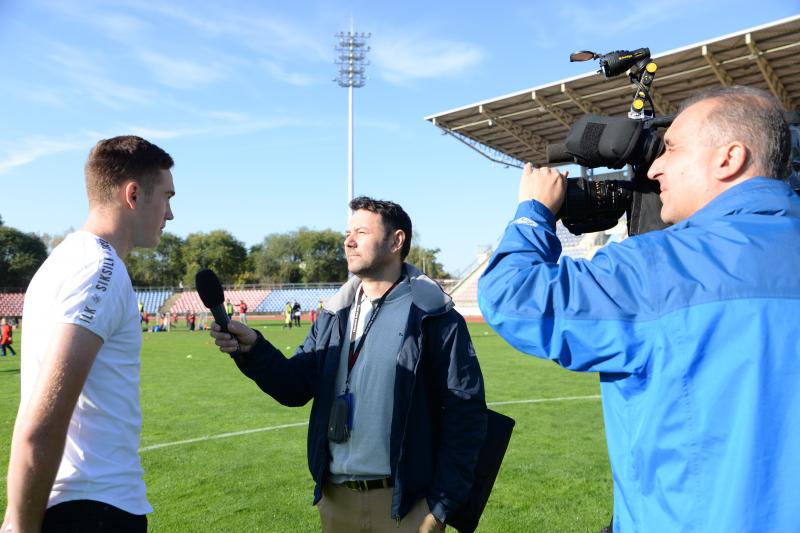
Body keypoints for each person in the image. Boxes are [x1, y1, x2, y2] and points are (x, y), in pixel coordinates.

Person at [478, 85, 800, 532]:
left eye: (670, 149)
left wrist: (534, 211)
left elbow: (512, 296)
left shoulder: (658, 267)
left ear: (729, 158)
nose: (655, 168)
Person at [211, 196, 487, 532]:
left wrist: (438, 507)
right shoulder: (334, 315)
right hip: (336, 501)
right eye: (347, 232)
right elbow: (294, 386)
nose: (348, 241)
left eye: (361, 232)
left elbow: (466, 414)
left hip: (406, 506)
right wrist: (253, 347)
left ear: (396, 241)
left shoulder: (434, 316)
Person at [2, 135, 175, 532]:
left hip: (81, 505)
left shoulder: (63, 261)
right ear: (133, 194)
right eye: (166, 197)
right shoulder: (100, 270)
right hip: (93, 508)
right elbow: (41, 425)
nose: (169, 214)